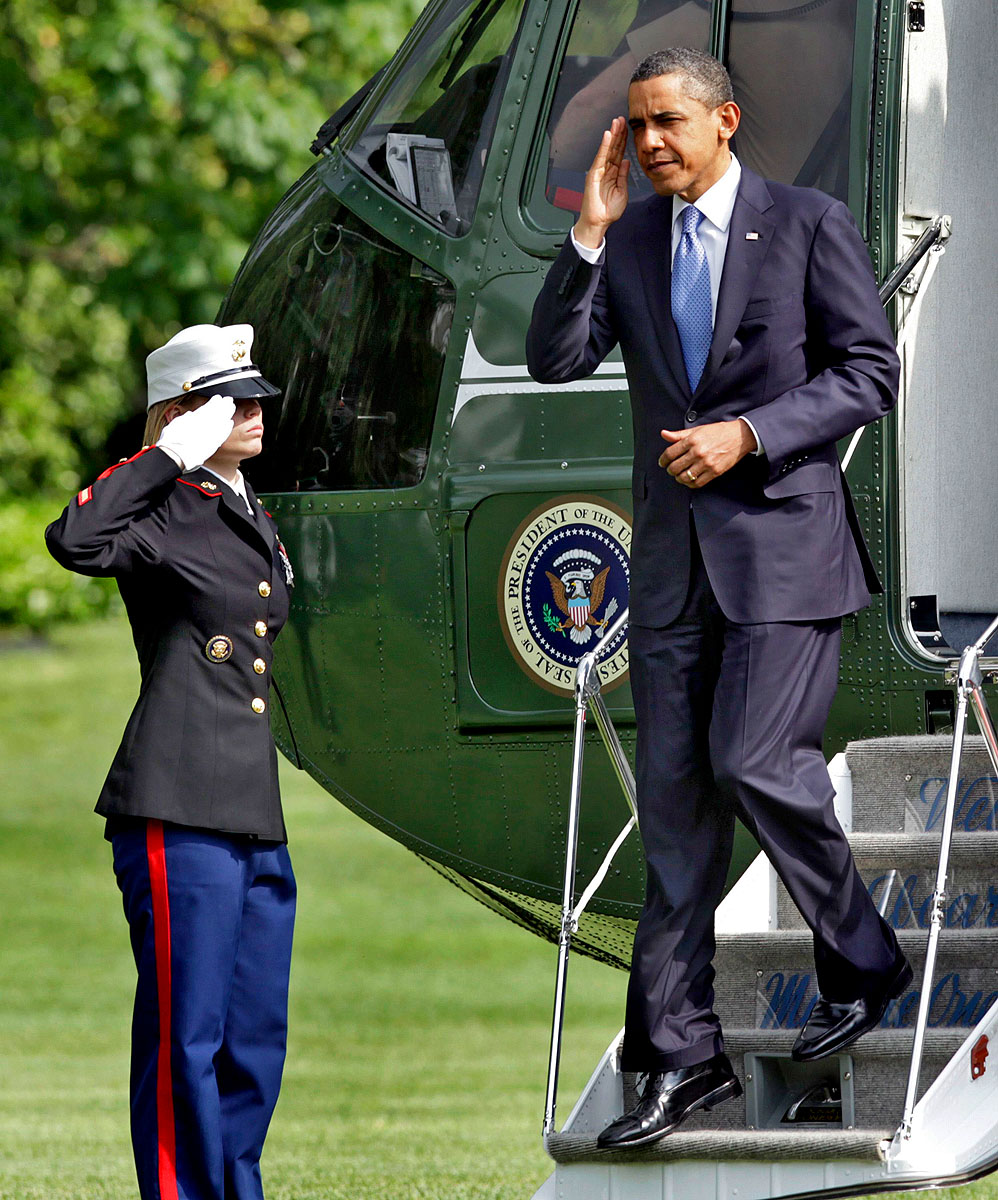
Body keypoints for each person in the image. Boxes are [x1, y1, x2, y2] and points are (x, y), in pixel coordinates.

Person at [526, 47, 910, 1149]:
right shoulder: (633, 236)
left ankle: (862, 957)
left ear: (724, 119)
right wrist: (589, 232)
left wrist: (748, 432)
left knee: (753, 760)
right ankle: (676, 1057)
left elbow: (867, 373)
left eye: (665, 124)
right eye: (633, 127)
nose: (647, 143)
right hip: (670, 577)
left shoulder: (804, 224)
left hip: (785, 558)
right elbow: (553, 357)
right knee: (675, 818)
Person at [45, 323, 295, 1199]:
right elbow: (73, 539)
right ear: (184, 412)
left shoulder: (245, 504)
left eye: (257, 393)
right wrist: (160, 457)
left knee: (254, 1038)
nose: (256, 409)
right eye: (232, 398)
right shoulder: (157, 512)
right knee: (183, 1035)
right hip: (179, 799)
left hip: (253, 811)